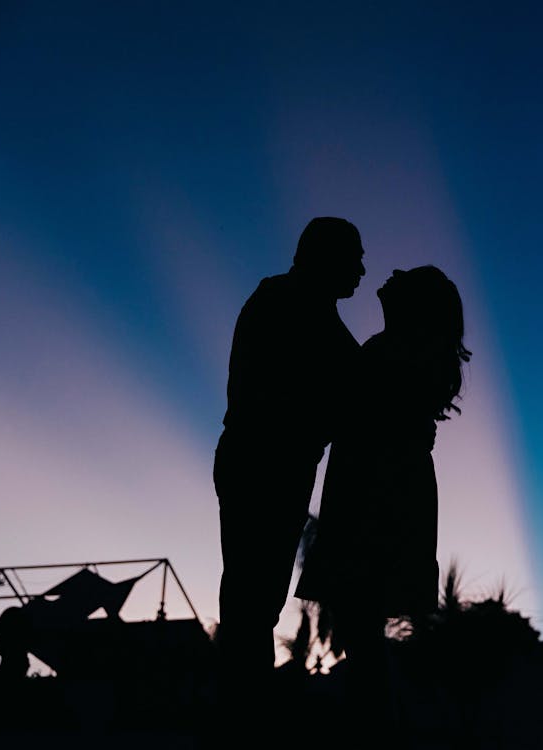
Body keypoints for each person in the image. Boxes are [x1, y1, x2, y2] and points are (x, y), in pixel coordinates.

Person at [295, 264, 471, 729]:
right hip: (381, 491)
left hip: (376, 497)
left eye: (404, 276)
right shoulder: (398, 353)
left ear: (413, 304)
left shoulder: (394, 354)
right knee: (363, 630)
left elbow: (349, 409)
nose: (390, 272)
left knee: (362, 628)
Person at [212, 217, 365, 714]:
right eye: (354, 257)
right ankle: (241, 713)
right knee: (250, 603)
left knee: (252, 601)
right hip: (265, 468)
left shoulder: (300, 311)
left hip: (269, 466)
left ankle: (241, 710)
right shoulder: (290, 307)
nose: (363, 270)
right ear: (327, 256)